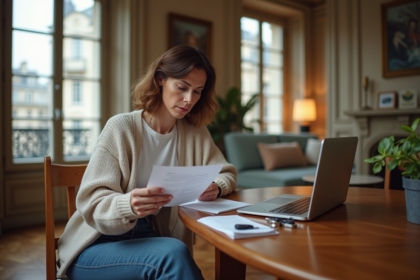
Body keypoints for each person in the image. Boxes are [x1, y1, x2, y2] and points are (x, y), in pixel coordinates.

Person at [56, 45, 237, 279]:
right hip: (95, 245)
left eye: (197, 91)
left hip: (150, 240)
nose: (189, 99)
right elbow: (91, 202)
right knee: (172, 257)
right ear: (160, 79)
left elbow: (227, 174)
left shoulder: (196, 133)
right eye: (182, 87)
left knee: (172, 256)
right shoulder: (121, 128)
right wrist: (128, 205)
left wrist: (216, 186)